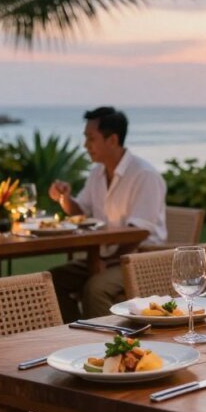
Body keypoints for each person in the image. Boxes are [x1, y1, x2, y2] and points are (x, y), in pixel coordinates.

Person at [47, 106, 167, 321]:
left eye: (91, 139)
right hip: (103, 256)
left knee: (95, 288)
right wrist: (64, 198)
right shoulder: (97, 173)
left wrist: (109, 261)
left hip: (141, 259)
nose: (85, 145)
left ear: (112, 140)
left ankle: (109, 344)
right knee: (52, 280)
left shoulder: (144, 175)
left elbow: (138, 233)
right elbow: (80, 212)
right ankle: (76, 335)